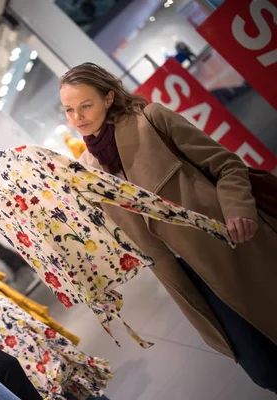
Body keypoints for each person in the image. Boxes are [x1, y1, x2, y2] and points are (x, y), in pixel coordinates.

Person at [57, 62, 277, 393]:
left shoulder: (152, 120)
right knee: (263, 369)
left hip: (232, 248)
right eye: (69, 110)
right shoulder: (89, 171)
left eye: (85, 105)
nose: (77, 118)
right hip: (187, 279)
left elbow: (226, 166)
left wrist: (237, 209)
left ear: (108, 97)